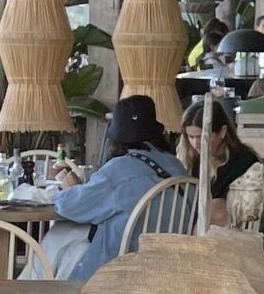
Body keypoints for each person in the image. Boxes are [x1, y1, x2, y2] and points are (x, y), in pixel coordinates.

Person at [50, 95, 186, 278]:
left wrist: (70, 189)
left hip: (117, 271)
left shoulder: (119, 169)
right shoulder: (177, 166)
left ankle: (35, 291)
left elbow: (68, 206)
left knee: (57, 239)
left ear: (115, 138)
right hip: (167, 270)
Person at [179, 98, 262, 227]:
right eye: (190, 137)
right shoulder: (190, 159)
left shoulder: (242, 161)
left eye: (201, 137)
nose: (195, 144)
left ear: (222, 132)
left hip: (229, 230)